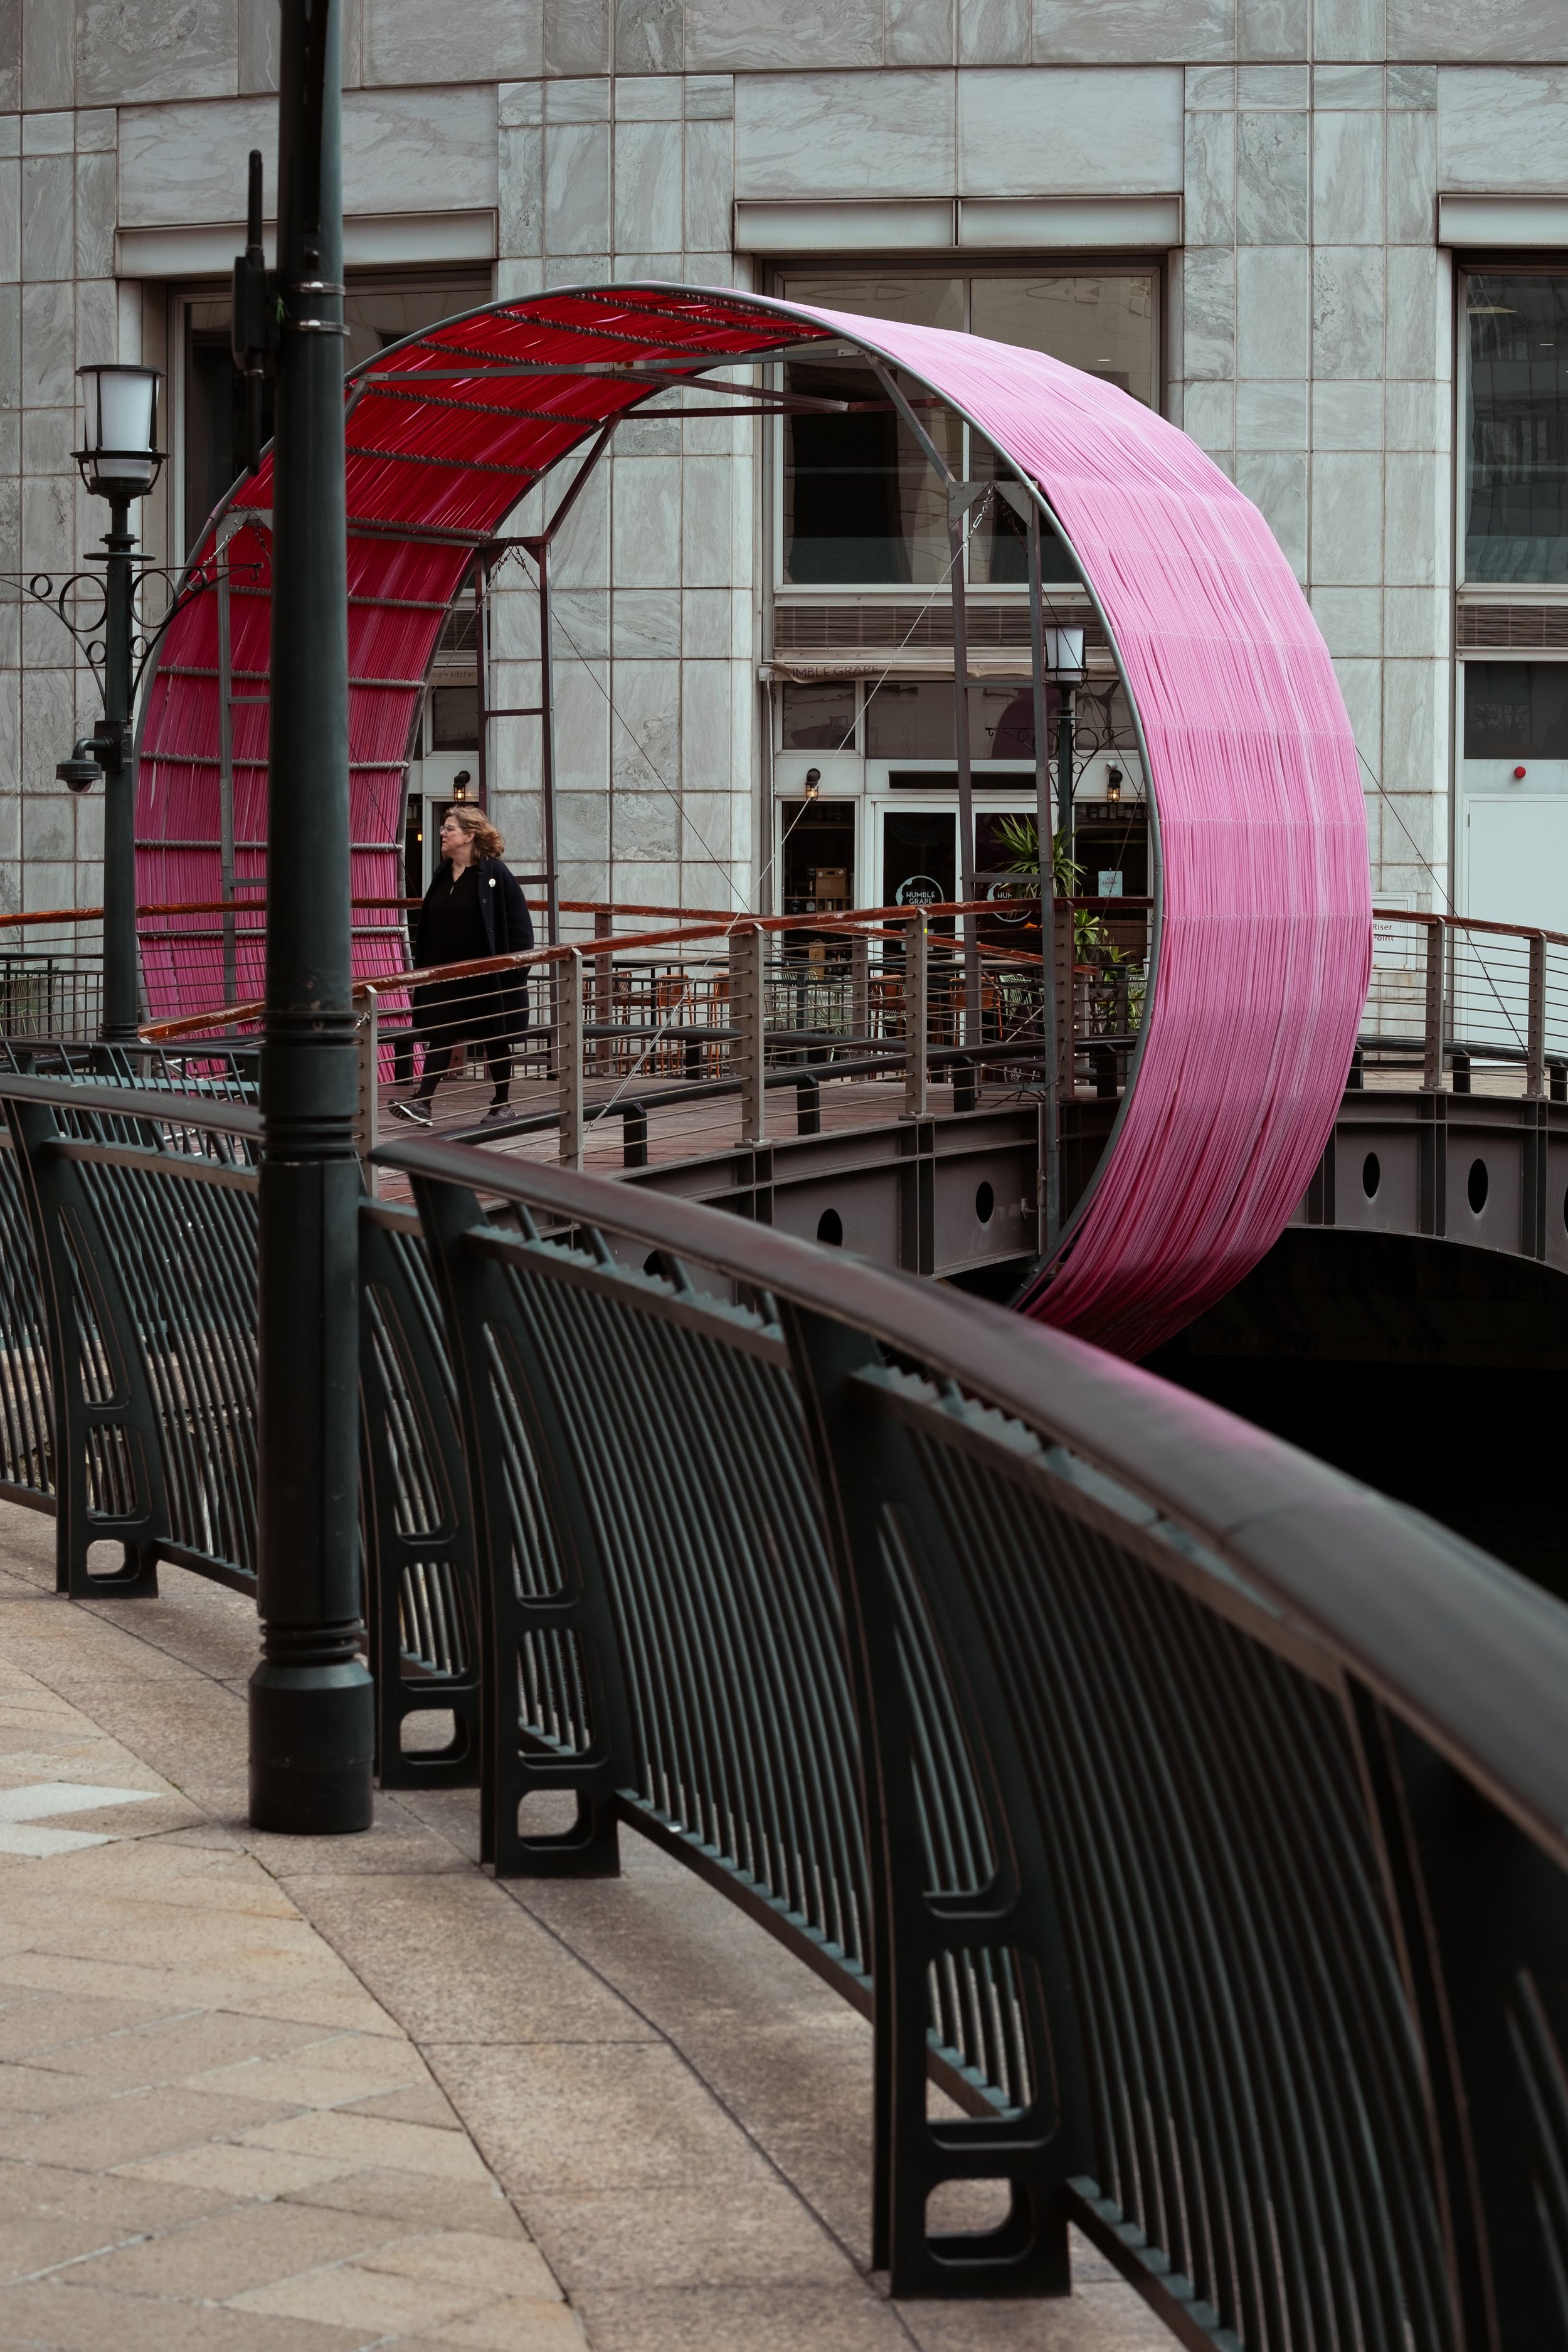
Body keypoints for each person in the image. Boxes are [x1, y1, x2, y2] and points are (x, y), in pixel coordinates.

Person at [391, 803, 534, 1126]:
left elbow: (521, 930)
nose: (442, 833)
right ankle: (423, 1103)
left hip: (487, 976)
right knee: (442, 1033)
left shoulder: (495, 873)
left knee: (494, 1037)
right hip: (446, 976)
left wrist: (511, 974)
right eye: (443, 827)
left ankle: (502, 1103)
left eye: (449, 828)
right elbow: (429, 926)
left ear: (470, 835)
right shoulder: (442, 873)